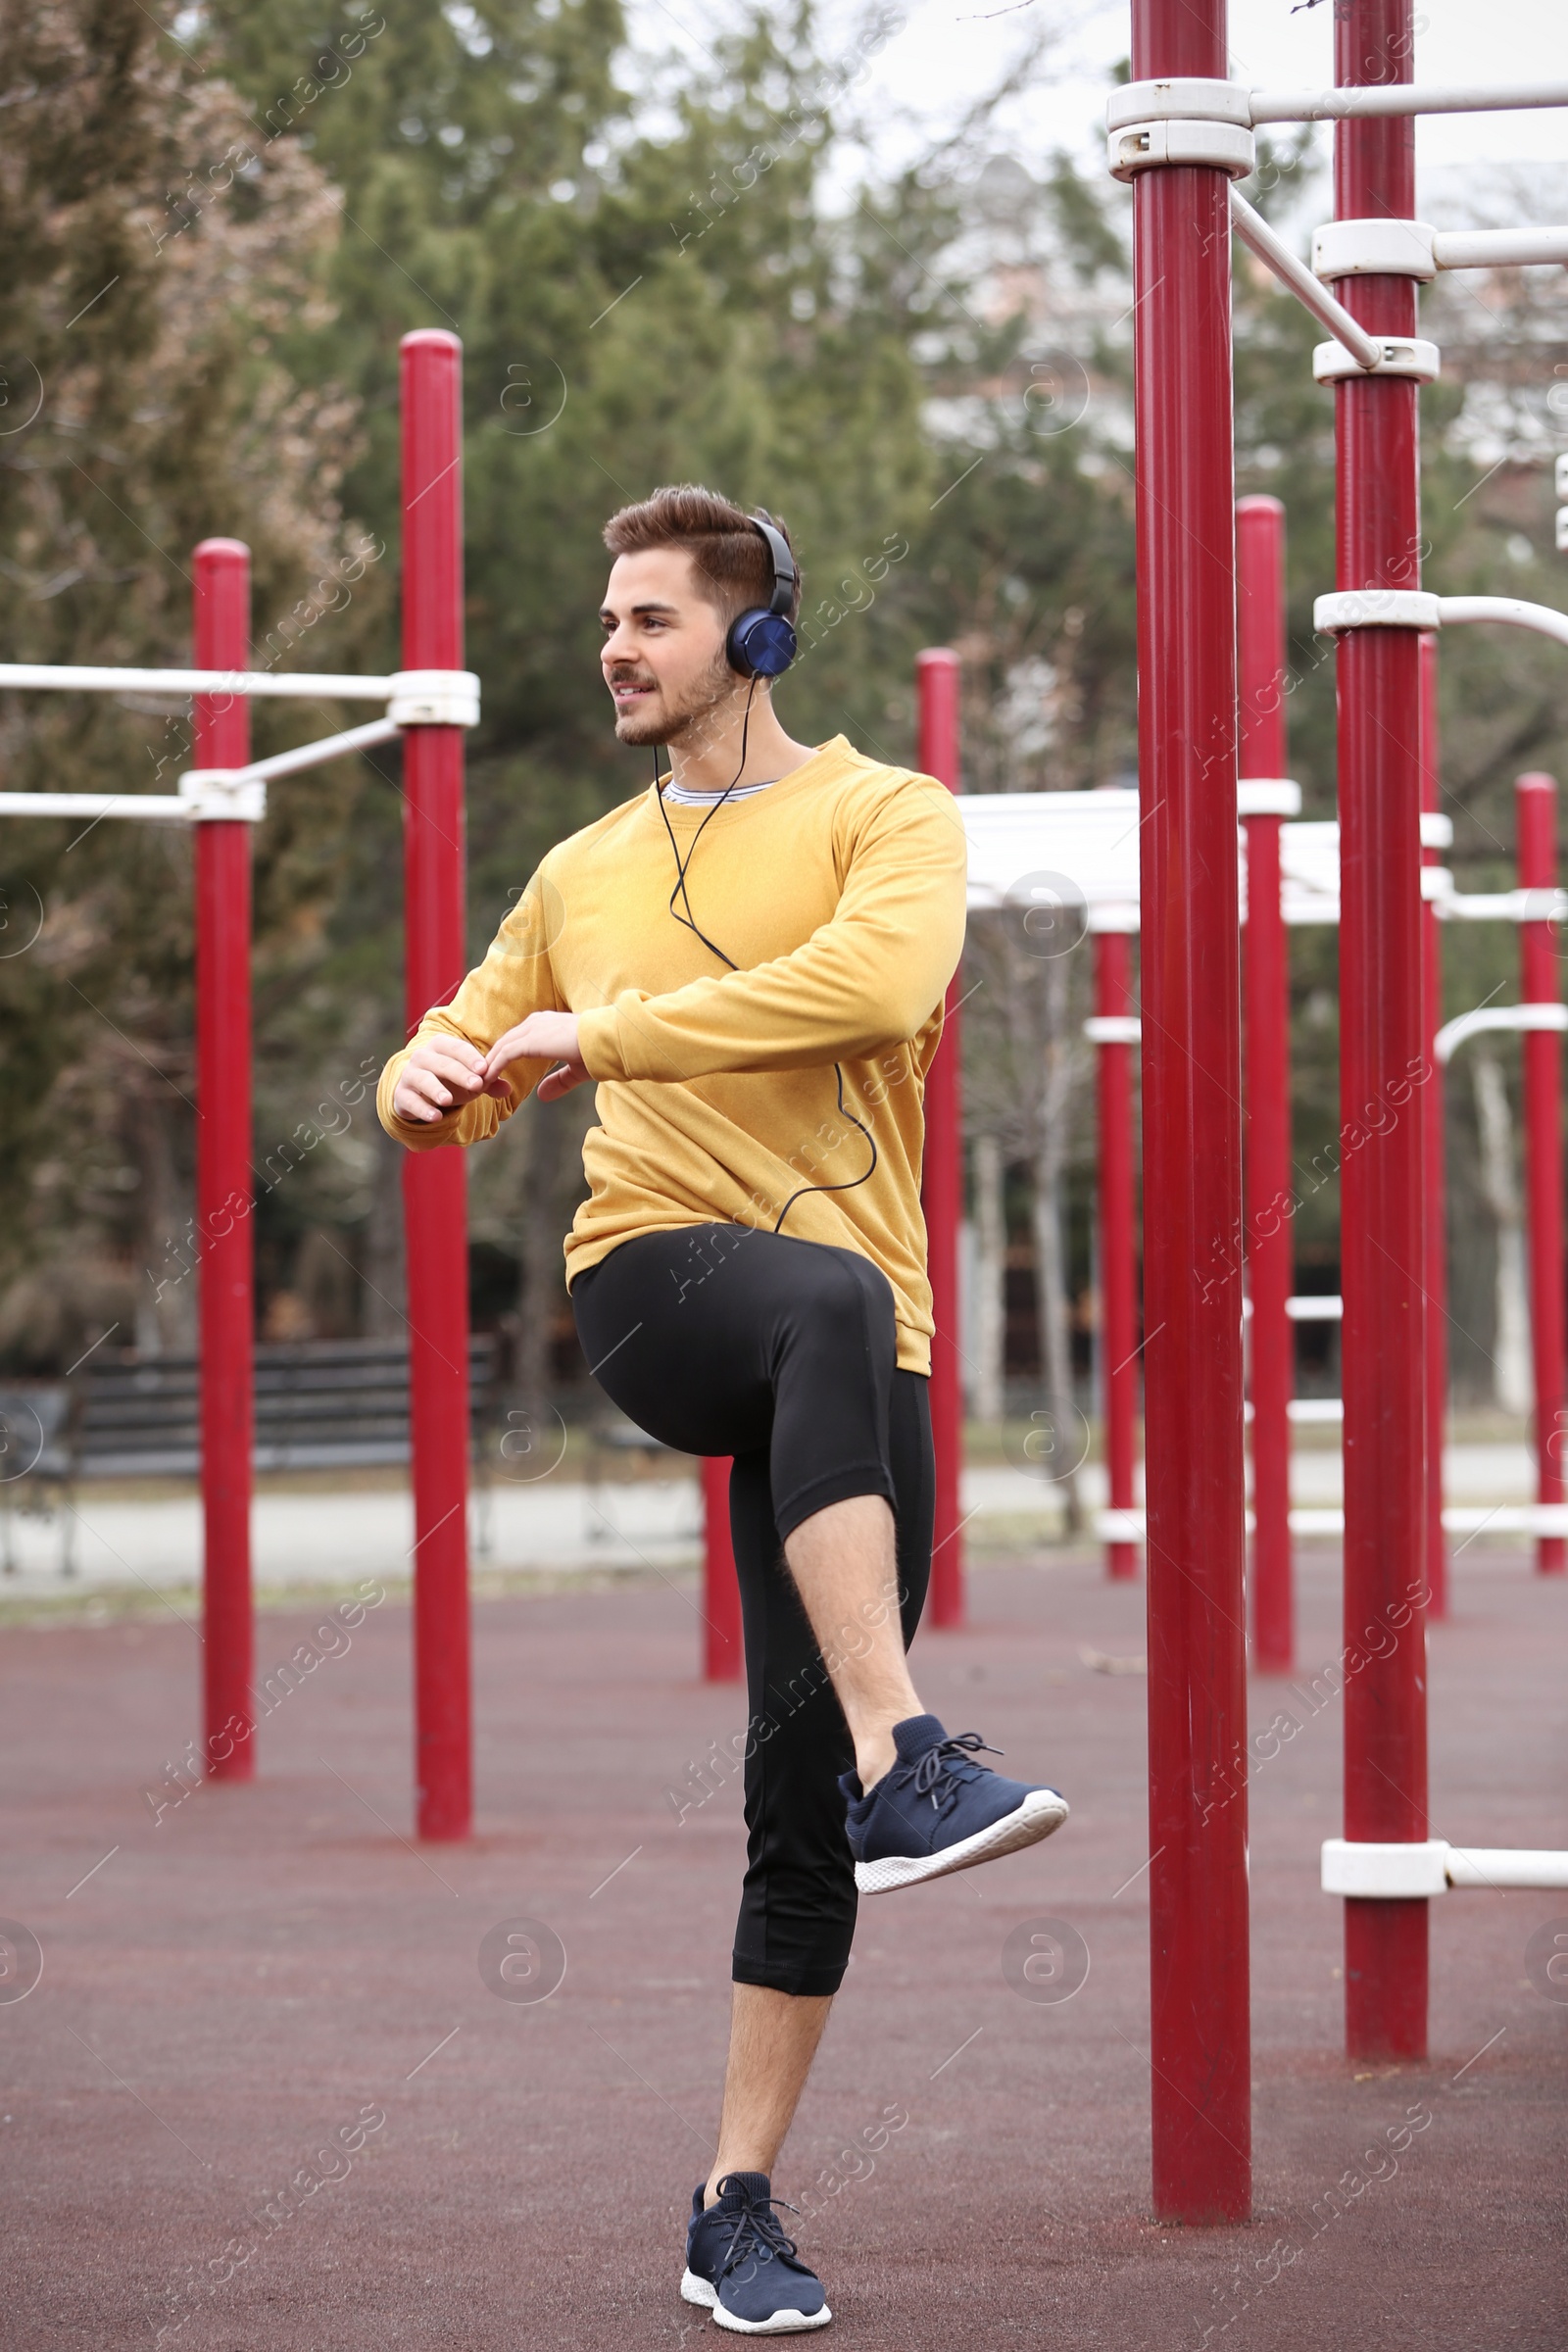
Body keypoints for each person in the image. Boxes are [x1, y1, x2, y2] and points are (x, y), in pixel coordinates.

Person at [378, 485, 1067, 2335]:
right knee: (818, 1296)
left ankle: (732, 2206)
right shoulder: (581, 870)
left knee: (790, 1805)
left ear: (752, 640)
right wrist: (423, 1072)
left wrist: (591, 1038)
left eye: (652, 621)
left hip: (861, 1351)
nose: (614, 647)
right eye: (608, 620)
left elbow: (879, 981)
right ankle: (912, 1756)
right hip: (655, 1278)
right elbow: (443, 1067)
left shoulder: (886, 817)